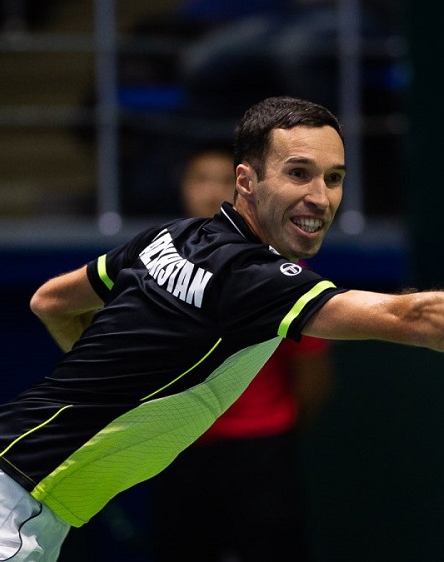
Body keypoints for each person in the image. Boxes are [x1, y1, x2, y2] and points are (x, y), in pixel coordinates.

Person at [0, 96, 444, 561]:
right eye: (298, 173)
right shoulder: (253, 278)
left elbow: (49, 301)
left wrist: (110, 384)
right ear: (246, 181)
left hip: (3, 485)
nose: (320, 197)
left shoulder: (168, 238)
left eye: (334, 178)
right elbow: (411, 315)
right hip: (7, 504)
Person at [148, 145, 335, 561]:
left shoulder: (282, 274)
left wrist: (276, 429)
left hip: (261, 452)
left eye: (223, 180)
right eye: (200, 179)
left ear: (244, 188)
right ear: (182, 187)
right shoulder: (154, 266)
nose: (211, 191)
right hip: (177, 450)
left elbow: (313, 374)